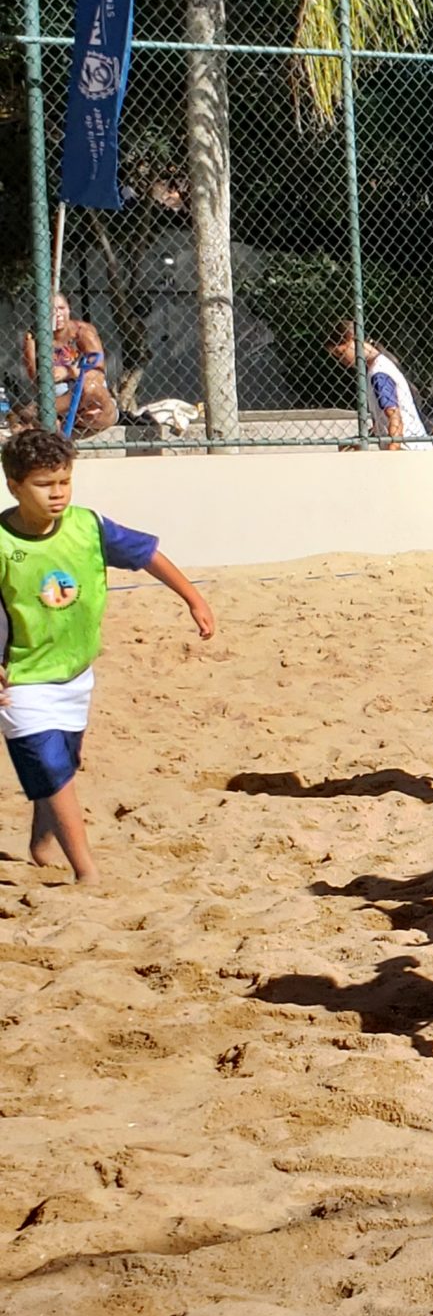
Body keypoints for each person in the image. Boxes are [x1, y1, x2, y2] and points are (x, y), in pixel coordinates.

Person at [0, 429, 214, 882]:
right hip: (20, 678)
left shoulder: (88, 526)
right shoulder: (2, 541)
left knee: (62, 763)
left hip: (75, 672)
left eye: (64, 481)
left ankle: (42, 842)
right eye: (44, 484)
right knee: (54, 771)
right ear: (14, 485)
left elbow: (147, 554)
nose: (57, 493)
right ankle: (87, 871)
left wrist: (193, 598)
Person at [18, 295, 116, 439]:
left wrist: (68, 371)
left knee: (92, 389)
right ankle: (53, 417)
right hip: (58, 395)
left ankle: (44, 412)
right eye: (50, 310)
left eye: (61, 308)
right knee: (53, 424)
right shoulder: (32, 338)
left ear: (69, 309)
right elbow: (36, 379)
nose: (57, 314)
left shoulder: (83, 331)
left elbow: (98, 372)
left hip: (87, 393)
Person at [331, 321, 432, 451]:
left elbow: (394, 417)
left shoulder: (379, 373)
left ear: (354, 339)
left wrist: (391, 452)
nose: (341, 360)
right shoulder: (378, 367)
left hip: (407, 450)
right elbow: (383, 422)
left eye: (341, 352)